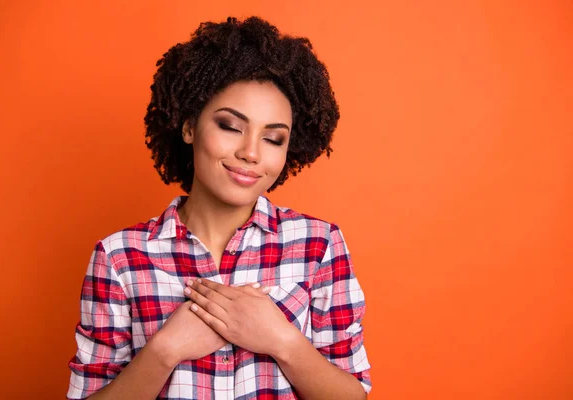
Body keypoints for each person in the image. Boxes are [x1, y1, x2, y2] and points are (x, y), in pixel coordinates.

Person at [67, 16, 371, 400]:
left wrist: (282, 340)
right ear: (190, 126)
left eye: (274, 138)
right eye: (230, 125)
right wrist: (164, 350)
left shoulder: (319, 244)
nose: (250, 152)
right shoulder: (118, 258)